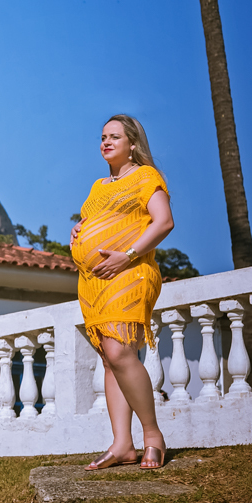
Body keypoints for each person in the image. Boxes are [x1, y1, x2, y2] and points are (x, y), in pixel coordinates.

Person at [70, 114, 174, 470]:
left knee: (120, 351)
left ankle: (153, 436)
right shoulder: (99, 185)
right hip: (94, 281)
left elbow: (163, 222)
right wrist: (80, 231)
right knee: (110, 358)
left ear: (133, 144)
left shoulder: (146, 177)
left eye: (115, 136)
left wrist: (126, 256)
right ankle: (122, 444)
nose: (106, 142)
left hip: (129, 272)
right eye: (102, 137)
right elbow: (97, 218)